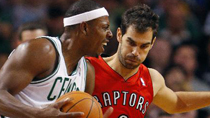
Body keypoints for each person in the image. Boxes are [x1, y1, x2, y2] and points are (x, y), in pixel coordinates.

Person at [87, 4, 210, 118]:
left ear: (152, 44)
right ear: (119, 35)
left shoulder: (152, 78)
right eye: (131, 42)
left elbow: (176, 103)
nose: (135, 52)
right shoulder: (89, 68)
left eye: (143, 46)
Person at [0, 0, 113, 117]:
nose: (110, 34)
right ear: (84, 28)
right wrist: (37, 114)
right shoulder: (42, 51)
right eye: (104, 27)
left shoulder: (87, 72)